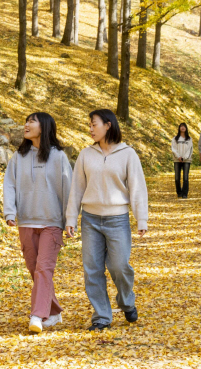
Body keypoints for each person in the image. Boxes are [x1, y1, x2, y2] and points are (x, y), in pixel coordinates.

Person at [65, 109, 149, 331]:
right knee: (92, 269)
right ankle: (102, 315)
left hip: (117, 219)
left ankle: (126, 301)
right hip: (90, 219)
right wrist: (71, 217)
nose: (90, 128)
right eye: (89, 125)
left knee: (119, 266)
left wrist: (141, 219)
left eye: (94, 124)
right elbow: (77, 188)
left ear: (108, 125)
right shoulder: (86, 154)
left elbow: (137, 188)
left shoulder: (128, 154)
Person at [4, 112, 73, 334]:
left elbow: (68, 189)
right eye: (26, 120)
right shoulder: (18, 157)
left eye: (31, 121)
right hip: (26, 221)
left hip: (51, 222)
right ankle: (53, 312)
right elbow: (10, 185)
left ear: (44, 127)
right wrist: (10, 211)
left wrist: (70, 219)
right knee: (35, 270)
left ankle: (37, 315)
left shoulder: (59, 157)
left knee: (44, 269)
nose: (26, 124)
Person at [171, 123, 193, 199]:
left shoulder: (189, 139)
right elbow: (173, 149)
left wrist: (184, 158)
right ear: (179, 128)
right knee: (177, 177)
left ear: (186, 128)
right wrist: (178, 157)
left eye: (184, 126)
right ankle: (179, 192)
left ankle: (185, 193)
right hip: (177, 160)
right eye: (181, 126)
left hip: (187, 160)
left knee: (185, 177)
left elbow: (190, 150)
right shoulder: (175, 139)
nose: (183, 128)